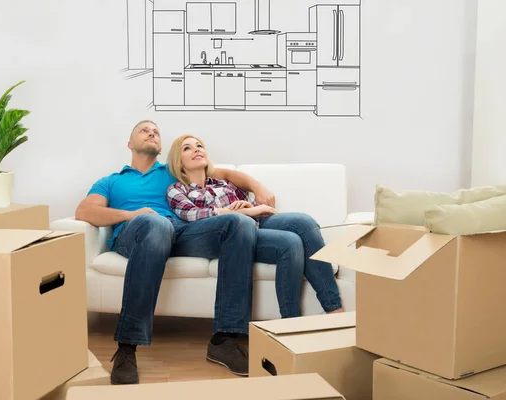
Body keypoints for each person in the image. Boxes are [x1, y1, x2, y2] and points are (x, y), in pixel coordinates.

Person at [75, 120, 275, 385]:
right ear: (130, 144)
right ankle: (126, 347)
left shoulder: (172, 171)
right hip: (134, 233)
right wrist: (131, 214)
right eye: (144, 131)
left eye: (156, 132)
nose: (152, 133)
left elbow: (223, 174)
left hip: (180, 232)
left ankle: (224, 340)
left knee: (238, 223)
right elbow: (85, 212)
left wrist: (258, 187)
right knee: (156, 223)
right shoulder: (111, 181)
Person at [165, 134, 344, 319]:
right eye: (187, 148)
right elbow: (194, 216)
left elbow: (249, 204)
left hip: (258, 221)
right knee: (290, 242)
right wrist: (239, 212)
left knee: (304, 222)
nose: (196, 149)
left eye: (199, 146)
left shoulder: (223, 182)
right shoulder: (177, 190)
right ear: (179, 162)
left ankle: (333, 308)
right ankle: (291, 320)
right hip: (234, 237)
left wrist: (249, 207)